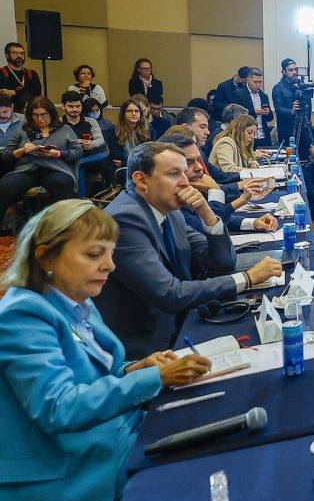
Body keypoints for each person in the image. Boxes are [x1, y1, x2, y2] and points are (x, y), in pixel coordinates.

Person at [0, 200, 211, 501]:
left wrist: (135, 368)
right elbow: (60, 408)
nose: (110, 266)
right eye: (94, 254)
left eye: (110, 253)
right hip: (71, 474)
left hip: (112, 436)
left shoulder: (75, 299)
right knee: (195, 484)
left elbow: (98, 374)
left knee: (206, 428)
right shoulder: (22, 316)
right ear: (45, 257)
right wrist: (153, 377)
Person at [94, 141, 283, 359]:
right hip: (148, 349)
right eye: (174, 174)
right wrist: (247, 278)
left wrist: (207, 213)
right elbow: (169, 293)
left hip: (183, 320)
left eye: (184, 173)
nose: (185, 182)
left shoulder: (170, 211)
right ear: (141, 180)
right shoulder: (125, 220)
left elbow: (223, 262)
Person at [0, 97, 82, 228]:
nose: (39, 118)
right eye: (35, 115)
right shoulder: (23, 130)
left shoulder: (65, 129)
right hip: (27, 170)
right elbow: (5, 156)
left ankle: (71, 227)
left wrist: (56, 153)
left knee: (61, 184)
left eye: (43, 114)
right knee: (7, 185)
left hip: (56, 169)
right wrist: (21, 151)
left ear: (51, 113)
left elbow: (77, 153)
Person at [60, 90, 108, 194]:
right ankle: (81, 200)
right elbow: (56, 143)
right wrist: (76, 143)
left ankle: (80, 200)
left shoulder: (91, 121)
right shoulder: (59, 123)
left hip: (91, 156)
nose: (75, 109)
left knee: (103, 155)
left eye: (78, 106)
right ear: (63, 106)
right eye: (71, 106)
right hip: (69, 157)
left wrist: (91, 144)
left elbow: (100, 140)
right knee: (78, 167)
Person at [272, 58, 312, 153]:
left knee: (307, 153)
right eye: (290, 70)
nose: (294, 72)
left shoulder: (302, 85)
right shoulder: (278, 88)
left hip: (303, 127)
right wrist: (292, 111)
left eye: (295, 70)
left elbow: (308, 104)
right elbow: (278, 109)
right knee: (289, 155)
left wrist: (308, 117)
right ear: (284, 72)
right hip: (287, 130)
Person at [106, 98, 152, 172]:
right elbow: (116, 154)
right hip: (122, 169)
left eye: (136, 111)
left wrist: (124, 162)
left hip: (142, 167)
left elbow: (148, 154)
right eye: (129, 111)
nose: (133, 113)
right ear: (123, 114)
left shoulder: (149, 131)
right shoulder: (112, 132)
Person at [0, 42, 42, 113]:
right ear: (7, 55)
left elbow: (36, 92)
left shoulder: (32, 74)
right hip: (7, 114)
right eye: (15, 53)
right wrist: (24, 92)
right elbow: (3, 94)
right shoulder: (1, 73)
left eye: (22, 53)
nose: (19, 56)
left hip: (30, 112)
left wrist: (14, 92)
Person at [246, 70, 273, 147]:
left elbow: (270, 118)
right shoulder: (239, 94)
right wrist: (253, 112)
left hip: (263, 136)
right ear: (248, 80)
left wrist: (267, 113)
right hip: (248, 137)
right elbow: (238, 116)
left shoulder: (264, 96)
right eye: (255, 82)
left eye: (260, 82)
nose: (258, 85)